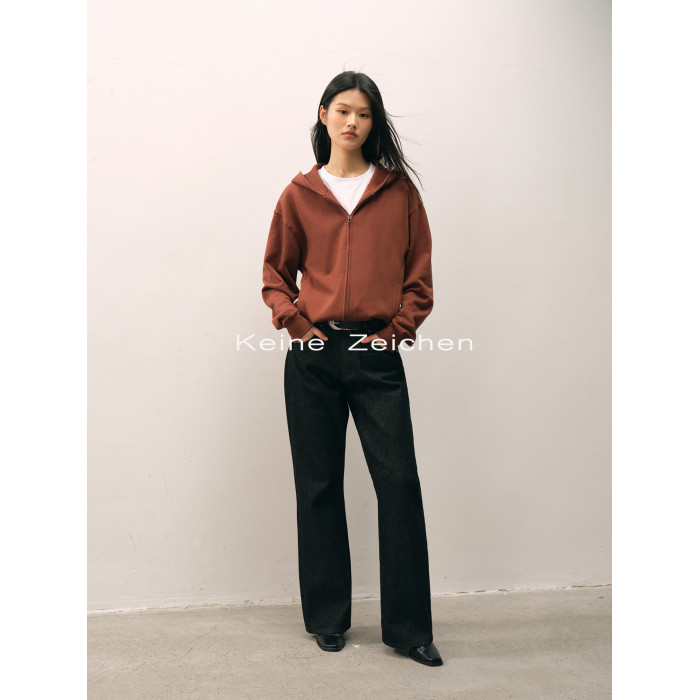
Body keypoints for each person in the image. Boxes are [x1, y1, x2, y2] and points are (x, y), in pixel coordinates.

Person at [261, 71, 442, 667]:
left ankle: (411, 629)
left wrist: (393, 335)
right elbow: (275, 276)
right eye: (342, 111)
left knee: (399, 485)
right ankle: (327, 618)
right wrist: (299, 328)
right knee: (318, 486)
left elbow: (419, 278)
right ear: (324, 114)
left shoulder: (398, 194)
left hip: (375, 352)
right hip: (313, 356)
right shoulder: (299, 194)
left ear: (373, 122)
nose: (352, 122)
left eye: (363, 114)